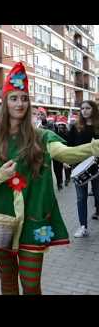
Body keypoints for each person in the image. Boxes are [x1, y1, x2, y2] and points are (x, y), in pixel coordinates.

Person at [0, 62, 99, 295]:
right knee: (8, 283)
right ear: (5, 102)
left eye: (24, 98)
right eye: (14, 98)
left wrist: (94, 147)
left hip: (35, 221)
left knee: (31, 286)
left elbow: (65, 154)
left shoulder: (42, 136)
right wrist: (0, 175)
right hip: (2, 222)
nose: (20, 103)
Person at [68, 100, 99, 238]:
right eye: (82, 108)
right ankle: (83, 226)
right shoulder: (76, 126)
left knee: (98, 195)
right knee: (81, 198)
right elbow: (69, 145)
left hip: (96, 167)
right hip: (79, 168)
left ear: (94, 109)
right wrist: (66, 160)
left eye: (88, 108)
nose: (84, 111)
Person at [53, 116, 70, 191]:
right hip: (56, 154)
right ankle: (59, 183)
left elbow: (70, 143)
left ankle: (67, 179)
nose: (60, 127)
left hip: (66, 153)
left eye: (62, 125)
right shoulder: (54, 133)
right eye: (59, 125)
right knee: (57, 170)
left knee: (67, 168)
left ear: (65, 126)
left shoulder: (68, 134)